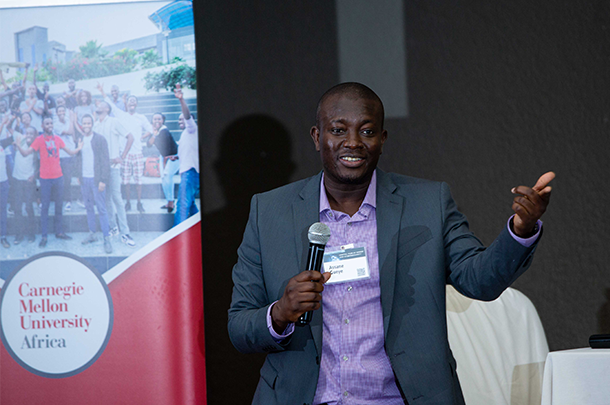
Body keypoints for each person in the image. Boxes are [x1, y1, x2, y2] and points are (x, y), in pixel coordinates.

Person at [228, 83, 554, 405]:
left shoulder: (427, 203)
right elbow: (240, 326)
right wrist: (281, 312)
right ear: (317, 137)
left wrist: (521, 230)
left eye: (367, 132)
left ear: (382, 140)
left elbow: (479, 280)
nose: (353, 143)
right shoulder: (270, 212)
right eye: (339, 130)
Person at [15, 115, 82, 248]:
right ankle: (44, 236)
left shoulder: (57, 139)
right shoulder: (39, 140)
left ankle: (59, 232)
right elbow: (26, 153)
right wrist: (18, 146)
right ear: (42, 126)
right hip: (45, 179)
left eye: (51, 123)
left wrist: (79, 148)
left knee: (58, 206)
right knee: (44, 207)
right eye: (47, 123)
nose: (50, 125)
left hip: (58, 177)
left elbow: (70, 152)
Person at [98, 83, 152, 213]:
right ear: (126, 104)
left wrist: (141, 137)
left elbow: (150, 130)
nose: (132, 103)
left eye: (134, 101)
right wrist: (102, 92)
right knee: (126, 181)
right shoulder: (121, 114)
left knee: (139, 181)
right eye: (129, 101)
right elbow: (110, 104)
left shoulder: (141, 118)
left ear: (136, 104)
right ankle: (128, 202)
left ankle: (139, 202)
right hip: (125, 154)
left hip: (138, 154)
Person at [92, 99, 137, 247]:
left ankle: (125, 233)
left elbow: (131, 137)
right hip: (100, 169)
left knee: (117, 198)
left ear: (106, 109)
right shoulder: (96, 125)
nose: (98, 105)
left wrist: (122, 157)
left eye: (101, 104)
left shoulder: (114, 121)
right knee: (106, 200)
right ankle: (113, 228)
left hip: (113, 167)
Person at [77, 114, 112, 254]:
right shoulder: (79, 139)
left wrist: (103, 180)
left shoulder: (99, 139)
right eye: (84, 123)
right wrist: (78, 175)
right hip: (85, 179)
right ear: (81, 124)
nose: (86, 126)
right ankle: (92, 233)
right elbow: (78, 158)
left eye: (88, 123)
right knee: (89, 207)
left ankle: (106, 238)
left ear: (92, 124)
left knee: (102, 209)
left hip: (96, 180)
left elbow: (105, 161)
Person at [173, 84, 198, 225]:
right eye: (179, 120)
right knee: (192, 207)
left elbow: (187, 116)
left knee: (182, 206)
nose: (179, 121)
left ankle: (175, 237)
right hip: (188, 172)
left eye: (182, 119)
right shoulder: (186, 134)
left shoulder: (192, 128)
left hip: (190, 173)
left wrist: (181, 100)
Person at [8, 125, 38, 244]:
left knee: (29, 207)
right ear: (25, 133)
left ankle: (31, 234)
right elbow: (9, 127)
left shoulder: (36, 144)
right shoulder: (20, 137)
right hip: (17, 180)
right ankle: (19, 234)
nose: (29, 135)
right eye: (28, 133)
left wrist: (34, 175)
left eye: (32, 133)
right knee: (17, 208)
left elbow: (37, 163)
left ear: (35, 135)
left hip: (28, 181)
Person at [147, 112, 179, 212]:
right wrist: (154, 134)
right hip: (164, 156)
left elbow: (167, 147)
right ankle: (169, 201)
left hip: (174, 156)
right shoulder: (156, 131)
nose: (157, 121)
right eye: (155, 119)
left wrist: (155, 135)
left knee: (167, 176)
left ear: (163, 120)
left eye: (159, 119)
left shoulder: (164, 130)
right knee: (164, 178)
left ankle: (171, 202)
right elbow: (148, 144)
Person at [53, 105, 76, 211]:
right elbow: (69, 132)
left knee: (68, 179)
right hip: (61, 156)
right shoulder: (56, 125)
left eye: (63, 110)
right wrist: (72, 120)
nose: (62, 112)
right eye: (60, 111)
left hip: (70, 154)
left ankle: (68, 201)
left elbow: (73, 135)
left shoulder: (68, 121)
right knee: (62, 180)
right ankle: (63, 200)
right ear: (57, 113)